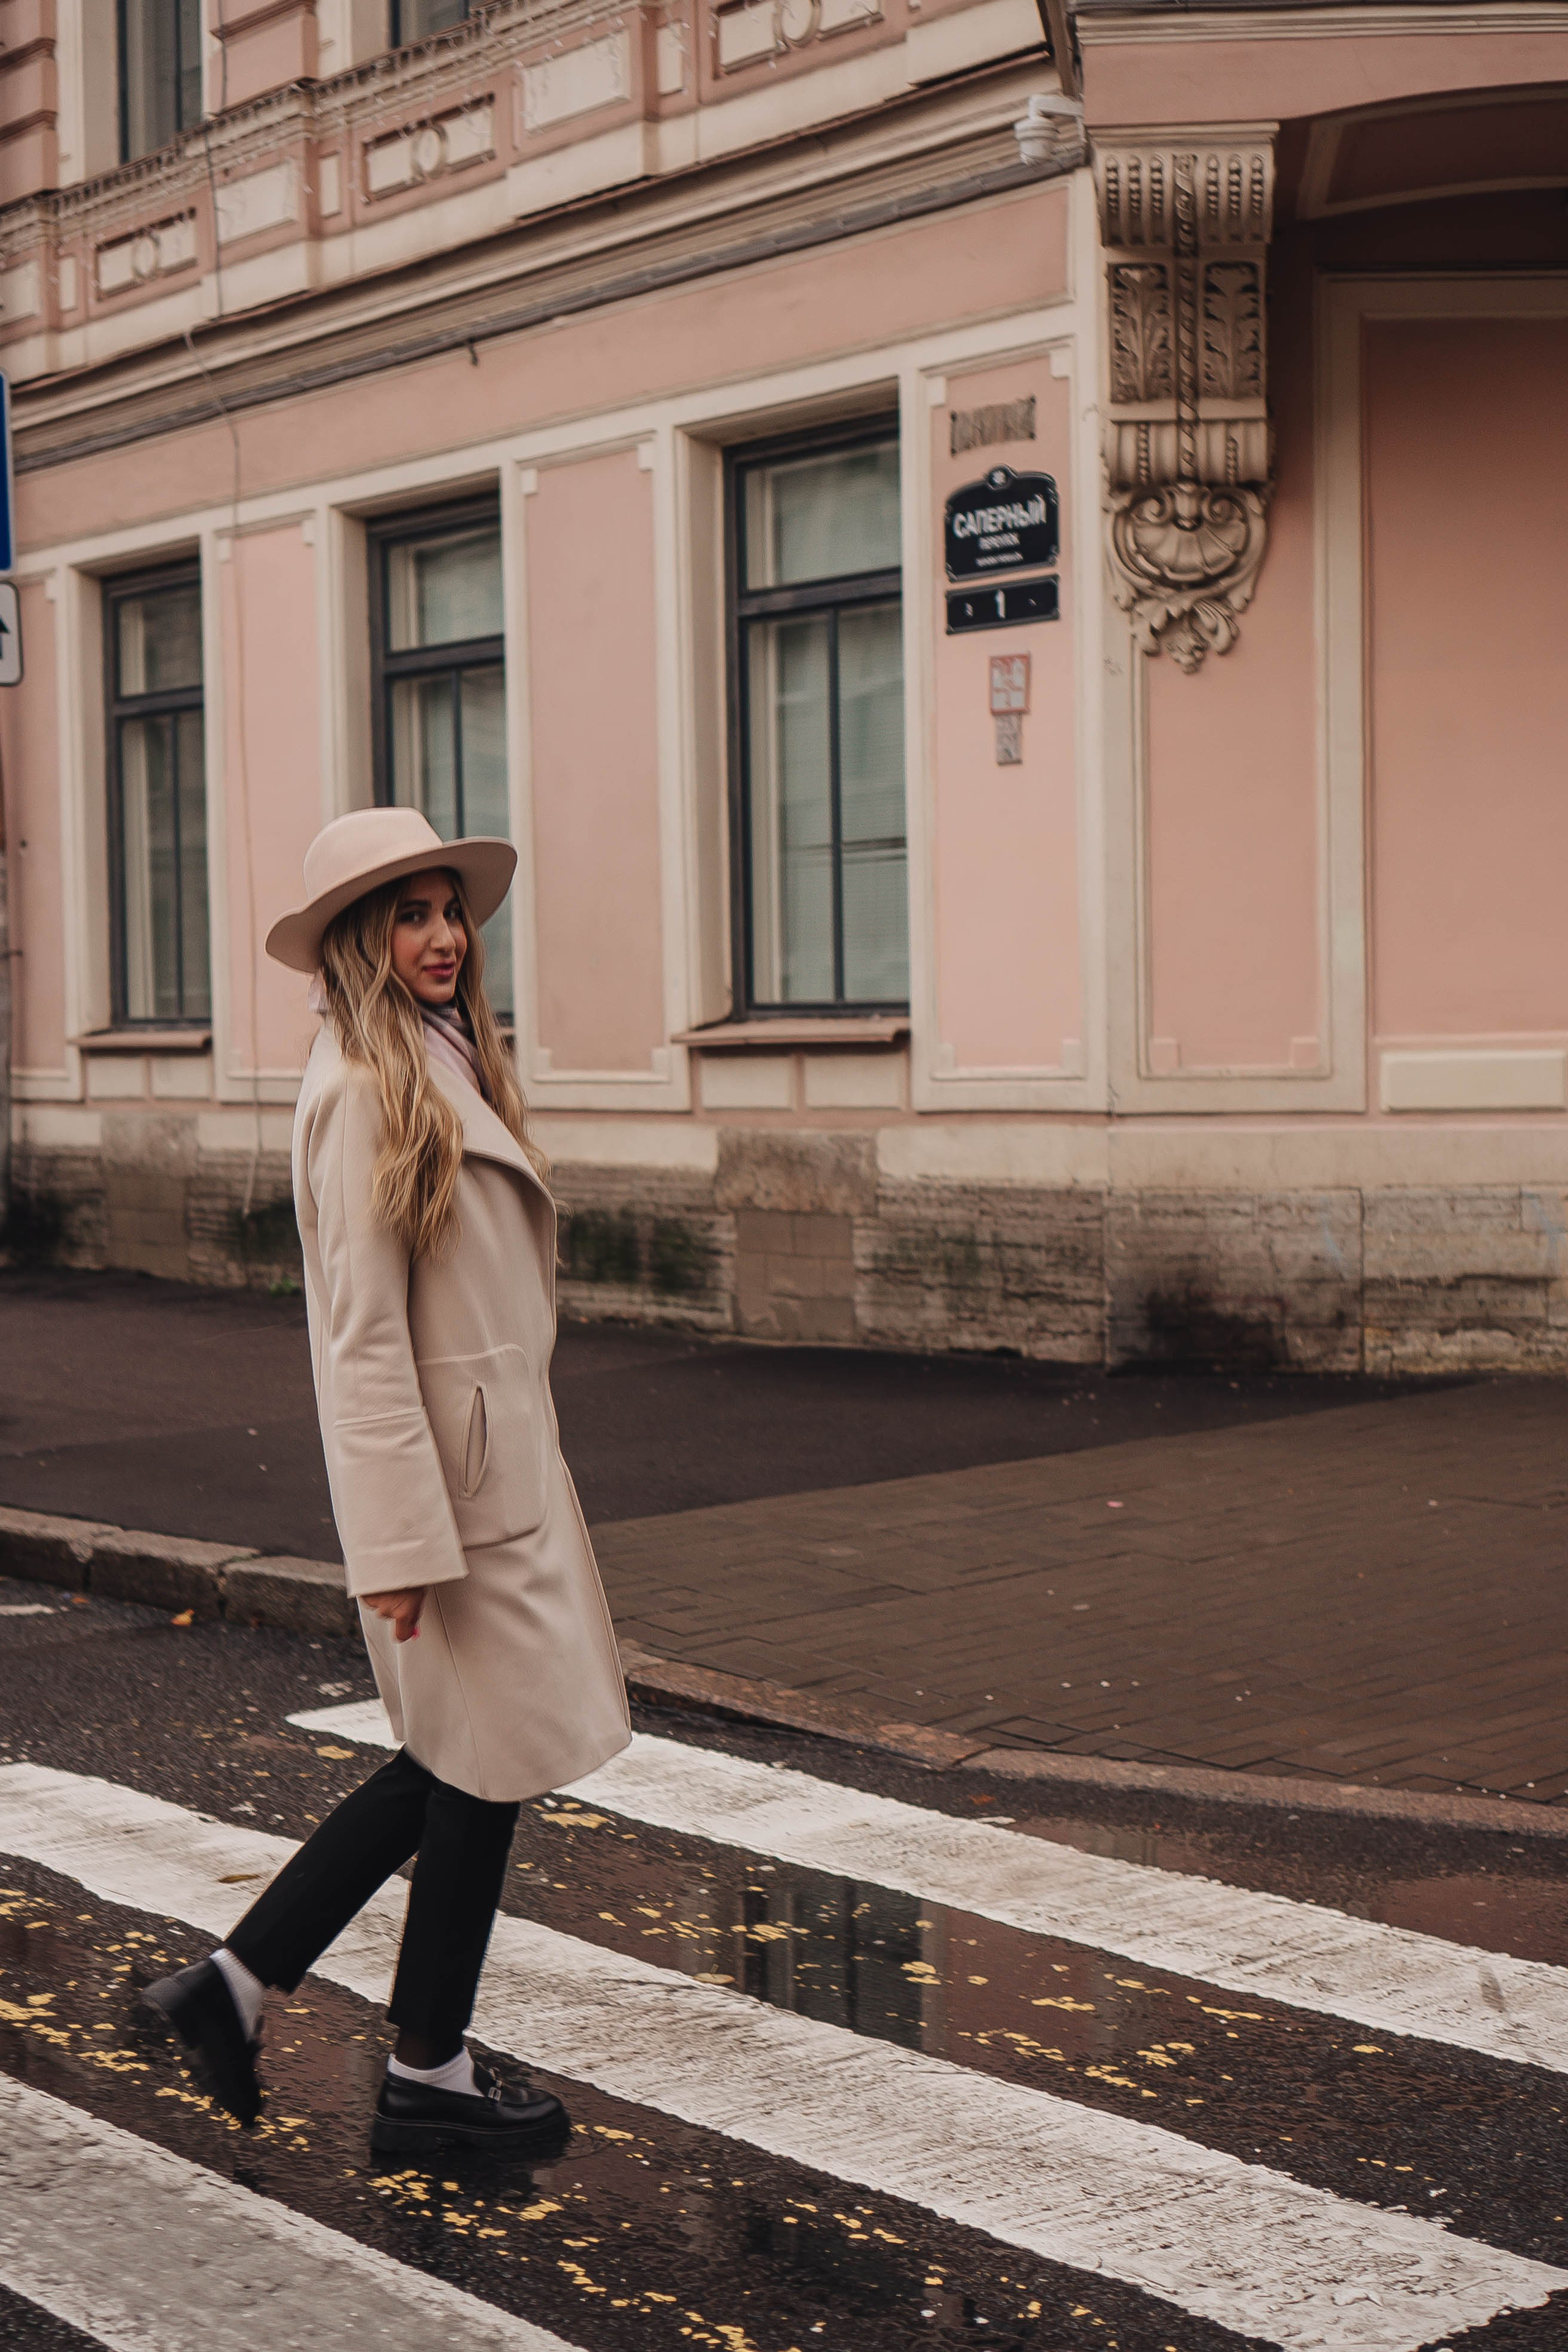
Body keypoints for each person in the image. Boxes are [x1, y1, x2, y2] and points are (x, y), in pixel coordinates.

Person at [143, 807, 631, 2157]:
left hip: (491, 1482)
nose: (439, 936)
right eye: (407, 915)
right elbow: (359, 1341)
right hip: (453, 1506)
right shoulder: (364, 1090)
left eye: (447, 909)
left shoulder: (439, 1061)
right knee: (471, 1770)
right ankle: (369, 2048)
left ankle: (305, 2019)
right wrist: (398, 1545)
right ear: (360, 941)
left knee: (464, 1768)